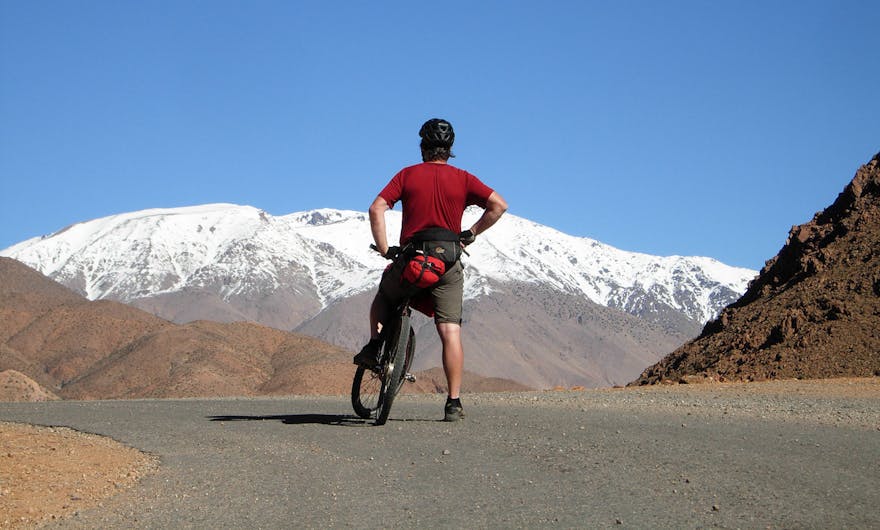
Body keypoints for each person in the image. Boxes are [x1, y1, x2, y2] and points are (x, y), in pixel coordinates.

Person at [354, 118, 508, 422]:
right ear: (450, 150)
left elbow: (376, 208)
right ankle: (453, 402)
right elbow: (499, 205)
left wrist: (385, 248)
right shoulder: (463, 178)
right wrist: (471, 233)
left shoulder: (408, 175)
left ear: (423, 148)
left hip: (413, 258)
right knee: (450, 331)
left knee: (385, 296)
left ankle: (374, 347)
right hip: (449, 261)